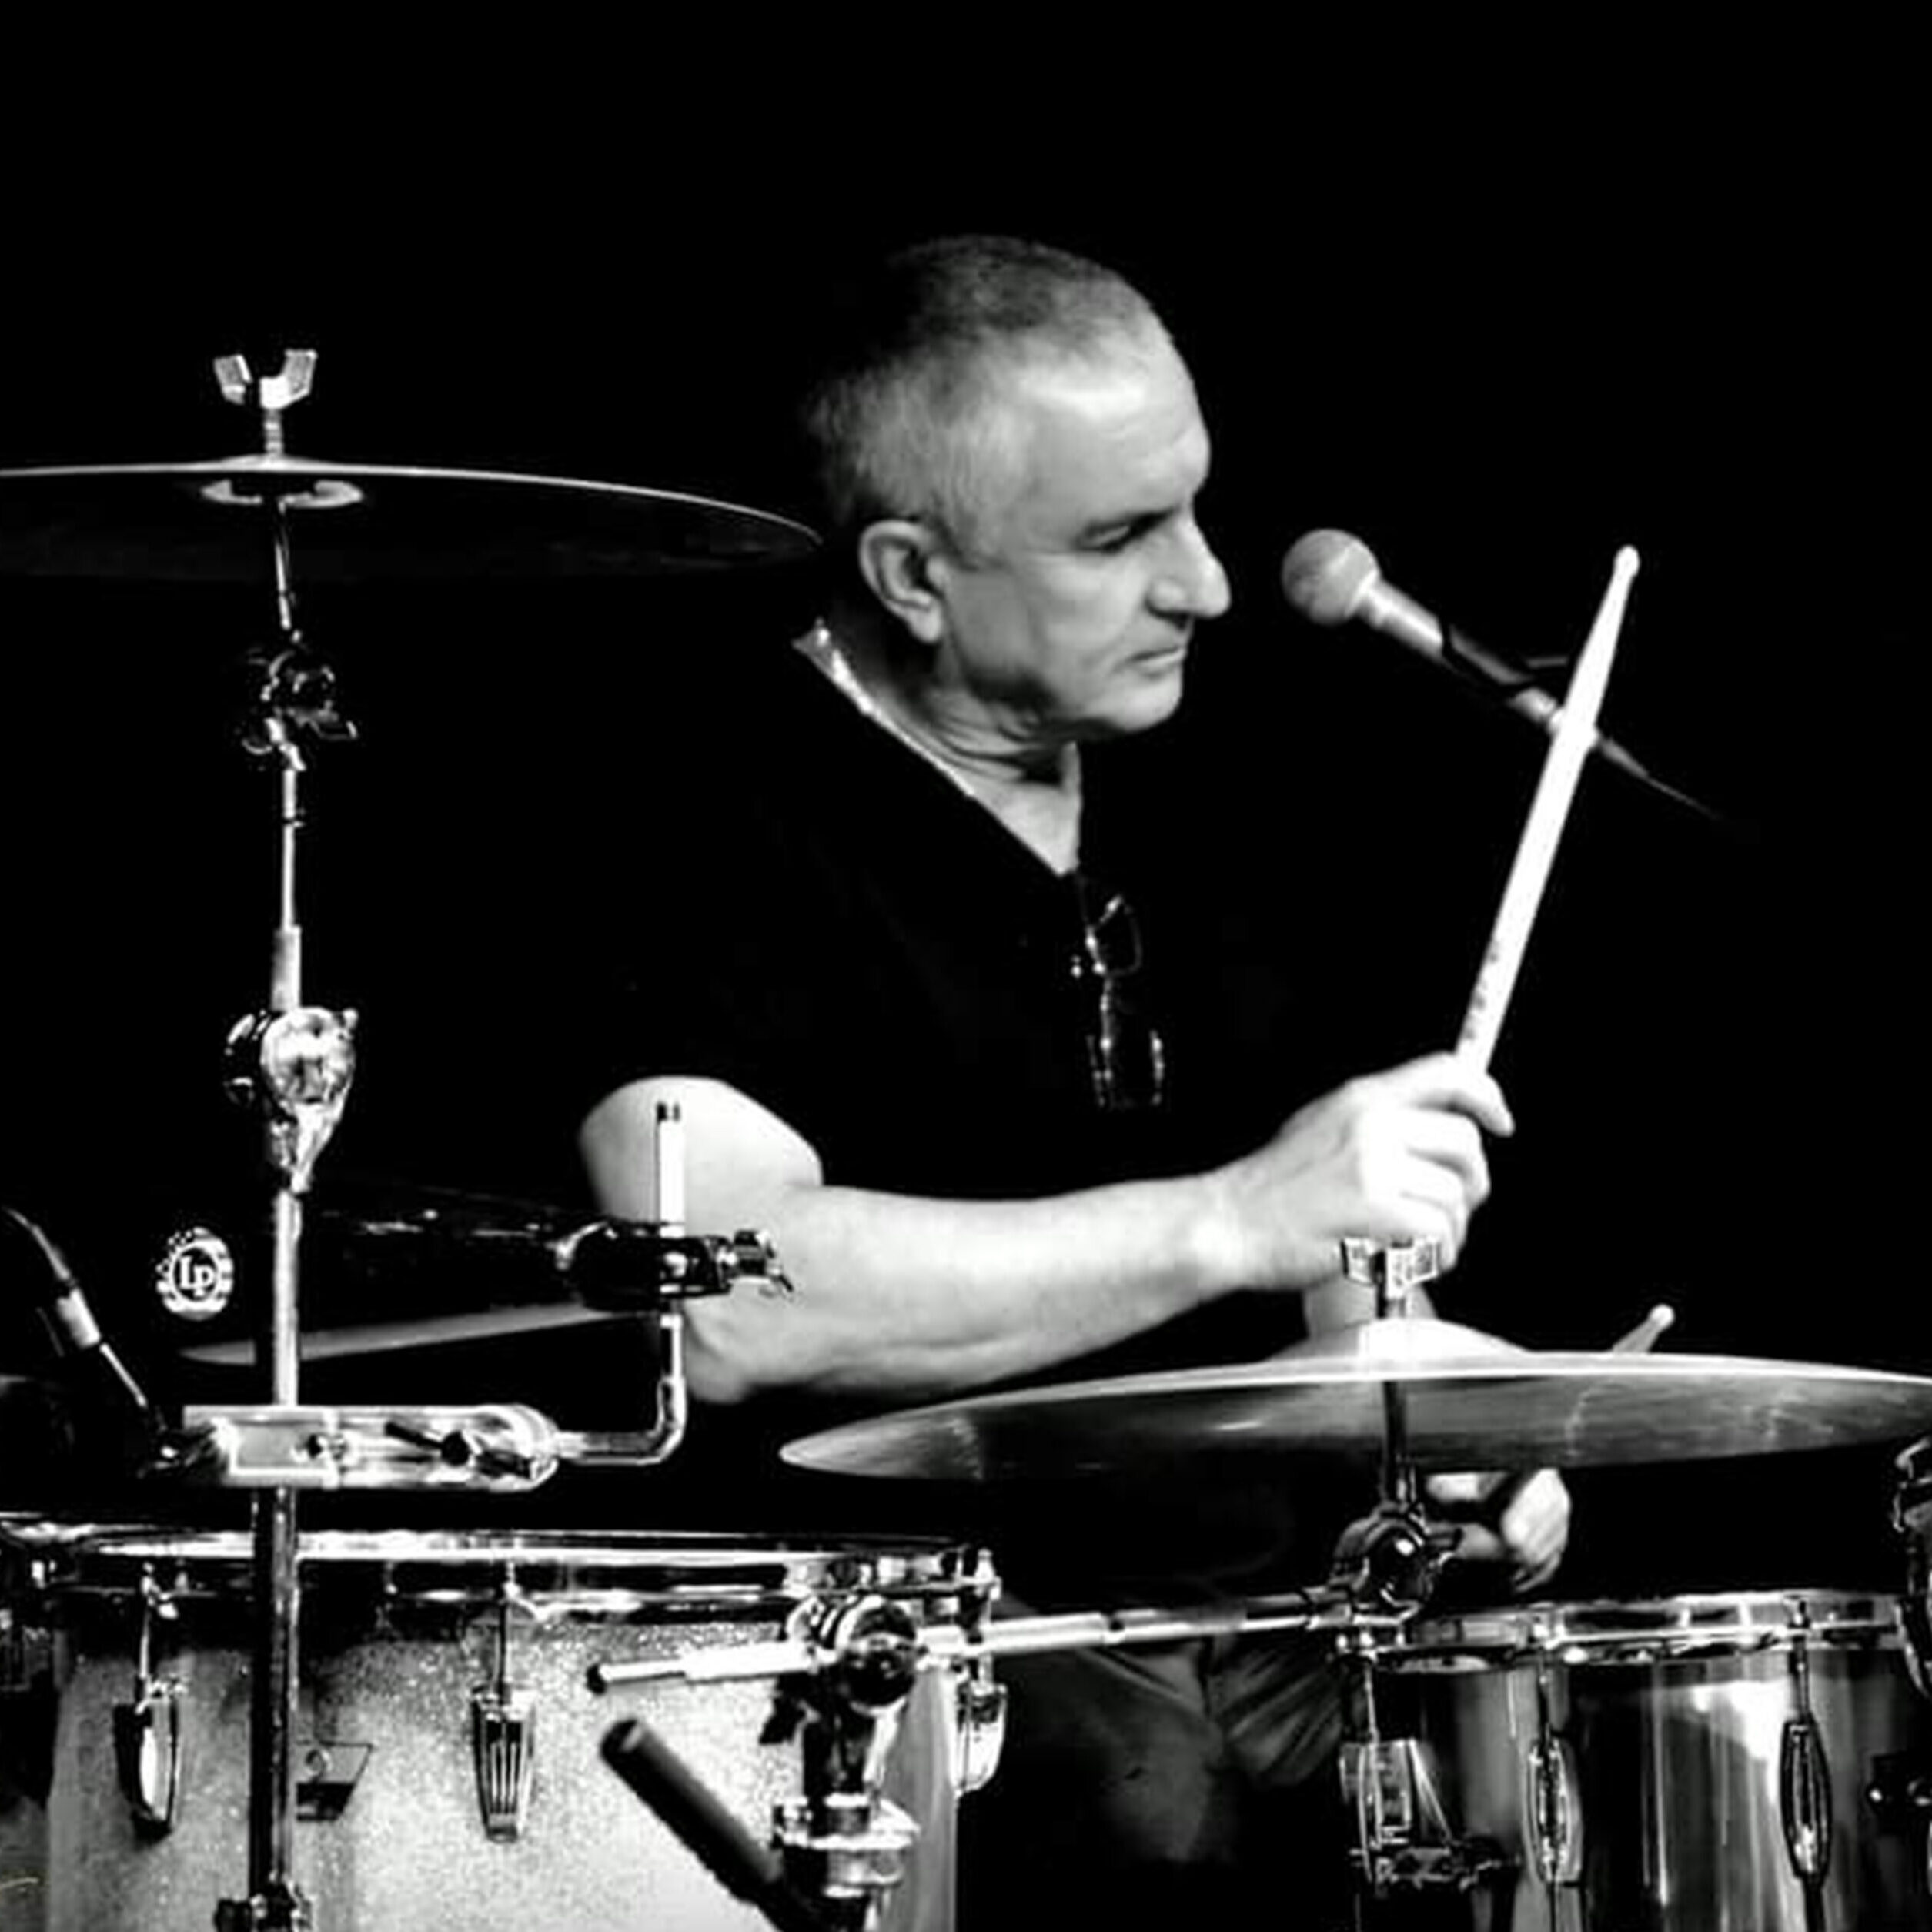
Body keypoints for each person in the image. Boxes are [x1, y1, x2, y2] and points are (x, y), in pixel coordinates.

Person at [576, 234, 1569, 1928]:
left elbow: (1329, 1294)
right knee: (1145, 1804)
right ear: (911, 575)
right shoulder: (700, 818)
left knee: (1527, 1764)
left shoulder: (1212, 794)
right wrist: (1229, 1217)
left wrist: (1437, 1442)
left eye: (1193, 510)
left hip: (1255, 1632)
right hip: (892, 1676)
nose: (1209, 586)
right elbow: (723, 1293)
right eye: (1118, 539)